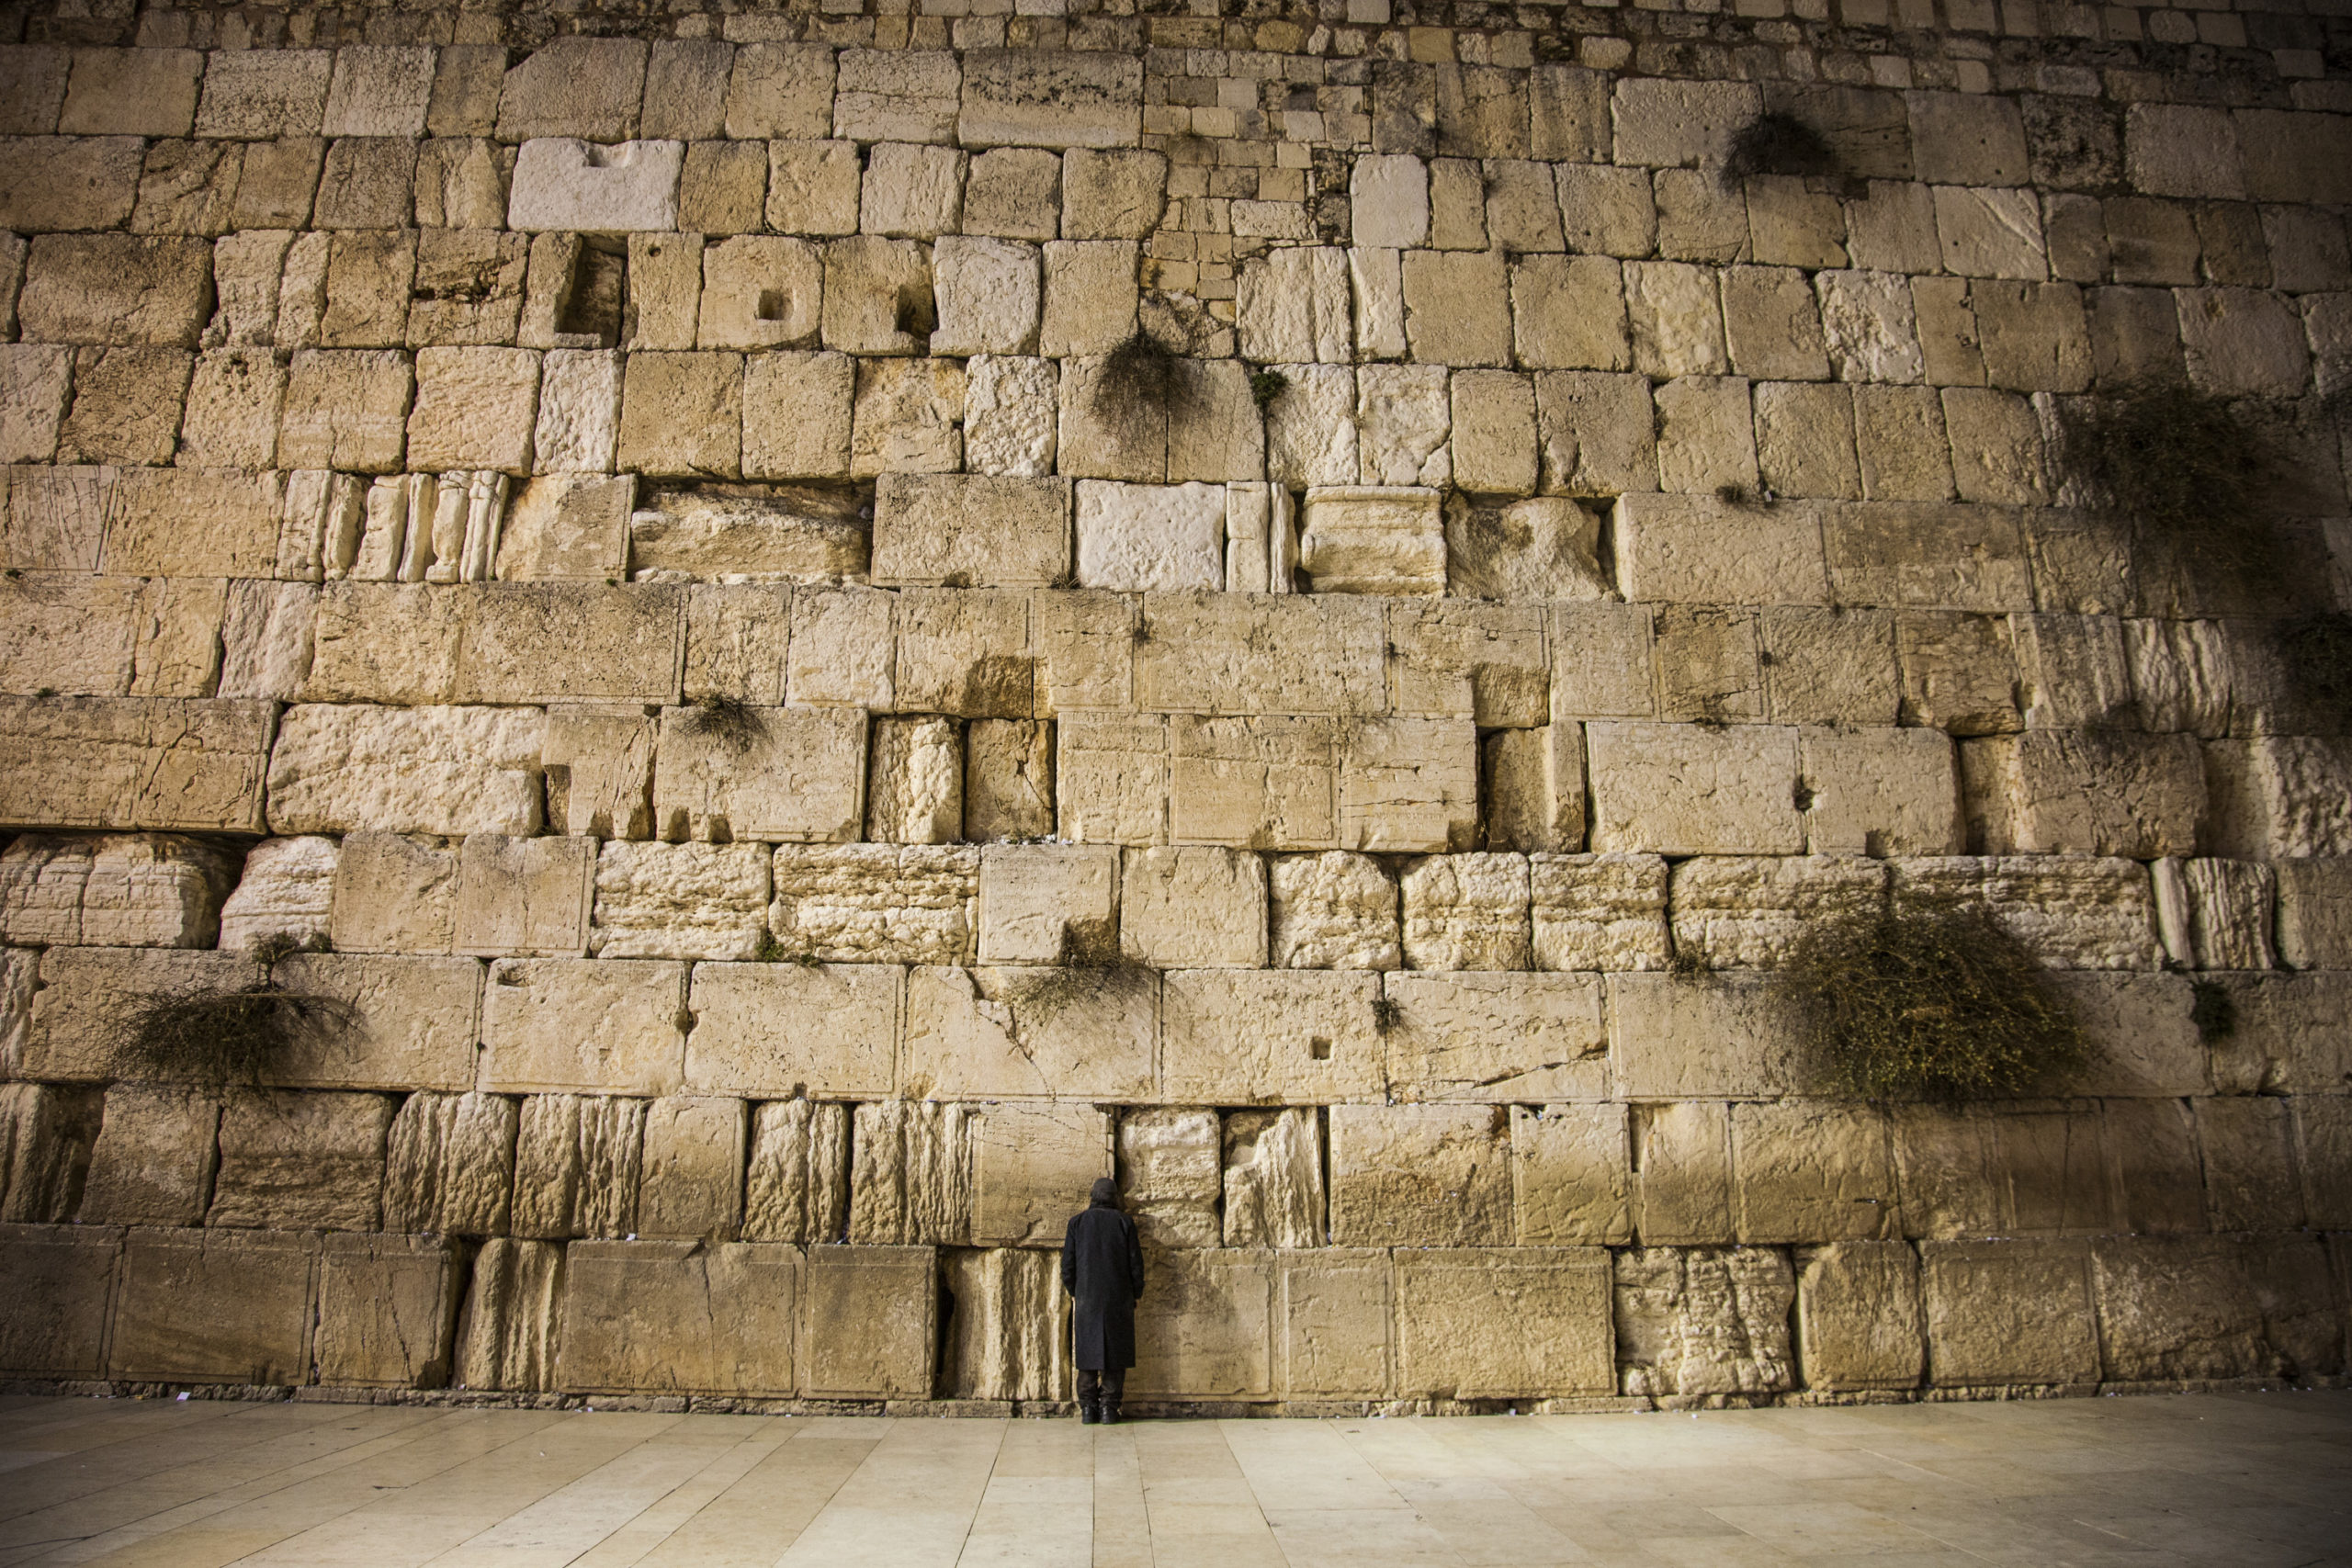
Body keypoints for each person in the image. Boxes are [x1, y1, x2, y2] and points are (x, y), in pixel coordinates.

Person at [1060, 1176, 1144, 1425]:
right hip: (1118, 1298)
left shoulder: (1077, 1224)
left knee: (1087, 1356)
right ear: (1115, 1197)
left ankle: (1088, 1409)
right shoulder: (1124, 1223)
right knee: (1115, 1356)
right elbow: (1136, 1266)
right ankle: (1108, 1408)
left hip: (1087, 1299)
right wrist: (1135, 1293)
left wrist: (1075, 1291)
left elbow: (1068, 1266)